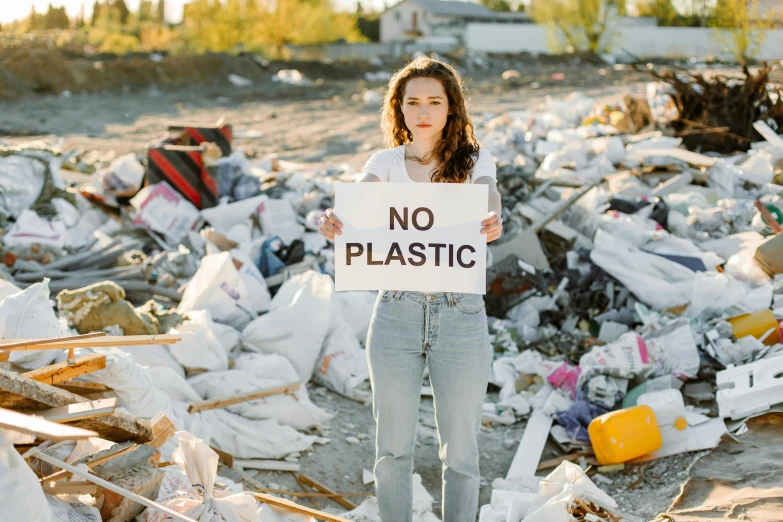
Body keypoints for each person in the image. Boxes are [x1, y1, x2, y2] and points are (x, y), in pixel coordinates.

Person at [317, 56, 503, 521]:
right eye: (412, 101)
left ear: (451, 107)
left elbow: (488, 194)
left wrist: (493, 217)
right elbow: (362, 196)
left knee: (460, 451)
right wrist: (337, 218)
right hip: (396, 314)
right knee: (392, 448)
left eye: (434, 102)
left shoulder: (475, 159)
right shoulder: (385, 162)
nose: (423, 111)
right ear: (398, 109)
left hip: (460, 316)